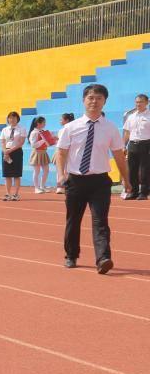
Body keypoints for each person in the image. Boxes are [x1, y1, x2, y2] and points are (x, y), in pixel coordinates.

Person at [56, 83, 127, 273]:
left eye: (99, 98)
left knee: (100, 221)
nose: (94, 101)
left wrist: (127, 181)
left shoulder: (111, 128)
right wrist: (60, 174)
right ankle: (71, 255)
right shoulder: (70, 127)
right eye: (90, 98)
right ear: (83, 100)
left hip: (100, 182)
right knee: (73, 220)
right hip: (76, 181)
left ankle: (103, 258)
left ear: (105, 101)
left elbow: (119, 156)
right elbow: (61, 152)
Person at [121, 92, 150, 200]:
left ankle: (144, 192)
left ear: (147, 103)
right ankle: (133, 192)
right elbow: (127, 133)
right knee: (132, 170)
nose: (138, 104)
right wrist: (123, 145)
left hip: (146, 143)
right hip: (132, 144)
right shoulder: (131, 116)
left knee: (145, 169)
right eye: (137, 102)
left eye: (141, 102)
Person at [0, 111, 26, 201]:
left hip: (16, 152)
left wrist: (10, 150)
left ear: (17, 119)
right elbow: (2, 141)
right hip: (6, 152)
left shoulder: (21, 129)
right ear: (8, 119)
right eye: (10, 118)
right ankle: (8, 194)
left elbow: (21, 142)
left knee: (16, 174)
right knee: (7, 175)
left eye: (14, 118)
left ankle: (16, 194)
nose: (12, 120)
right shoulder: (5, 129)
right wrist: (5, 151)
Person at [28, 116, 53, 194]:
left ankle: (42, 186)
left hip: (43, 152)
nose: (45, 124)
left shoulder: (43, 131)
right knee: (37, 171)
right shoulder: (34, 133)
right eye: (43, 122)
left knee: (46, 170)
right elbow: (33, 145)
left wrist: (51, 140)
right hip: (37, 152)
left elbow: (48, 144)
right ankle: (36, 188)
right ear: (38, 123)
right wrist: (43, 140)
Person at [54, 111, 75, 193]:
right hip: (68, 153)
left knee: (62, 169)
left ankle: (61, 187)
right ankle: (62, 186)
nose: (60, 121)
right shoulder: (66, 129)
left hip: (65, 153)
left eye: (61, 120)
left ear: (66, 120)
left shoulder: (65, 129)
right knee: (65, 170)